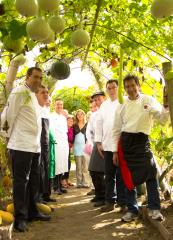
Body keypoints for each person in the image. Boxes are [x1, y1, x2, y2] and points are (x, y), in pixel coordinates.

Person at [112, 74, 169, 222]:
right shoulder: (121, 104)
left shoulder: (148, 100)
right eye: (127, 86)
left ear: (138, 85)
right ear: (124, 89)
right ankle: (132, 210)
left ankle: (155, 209)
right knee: (128, 178)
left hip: (142, 141)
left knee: (151, 174)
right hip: (126, 143)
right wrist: (114, 151)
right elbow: (116, 128)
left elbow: (162, 120)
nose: (130, 89)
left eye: (133, 85)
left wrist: (166, 106)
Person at [1, 67, 50, 232]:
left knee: (33, 182)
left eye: (40, 78)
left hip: (34, 146)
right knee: (21, 182)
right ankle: (20, 218)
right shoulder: (19, 92)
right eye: (35, 77)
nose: (38, 80)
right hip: (20, 145)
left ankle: (32, 212)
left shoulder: (32, 95)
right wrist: (7, 137)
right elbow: (8, 116)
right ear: (28, 77)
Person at [95, 80, 126, 212]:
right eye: (109, 88)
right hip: (107, 145)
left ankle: (122, 202)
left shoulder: (124, 101)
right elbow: (99, 123)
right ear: (106, 90)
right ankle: (109, 201)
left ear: (118, 88)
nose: (112, 90)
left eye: (114, 87)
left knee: (121, 175)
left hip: (122, 144)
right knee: (109, 175)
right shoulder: (104, 105)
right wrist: (98, 142)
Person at [36, 85, 56, 203]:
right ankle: (39, 196)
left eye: (47, 93)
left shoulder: (46, 111)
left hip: (46, 144)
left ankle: (46, 194)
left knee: (46, 168)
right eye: (43, 92)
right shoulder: (37, 109)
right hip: (38, 144)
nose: (46, 95)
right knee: (40, 169)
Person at [88, 91, 106, 207]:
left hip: (105, 142)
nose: (96, 101)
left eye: (98, 99)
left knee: (99, 171)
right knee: (93, 170)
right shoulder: (95, 113)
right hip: (96, 142)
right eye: (95, 100)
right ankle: (99, 194)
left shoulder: (108, 109)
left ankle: (103, 197)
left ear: (104, 98)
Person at [50, 99, 69, 194]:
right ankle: (55, 187)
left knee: (62, 165)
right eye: (58, 104)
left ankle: (60, 186)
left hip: (63, 144)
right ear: (54, 105)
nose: (60, 106)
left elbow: (65, 131)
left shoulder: (63, 117)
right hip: (56, 144)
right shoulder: (51, 116)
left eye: (61, 104)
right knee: (56, 165)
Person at [73, 109, 89, 188]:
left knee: (85, 167)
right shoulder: (74, 125)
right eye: (78, 114)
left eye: (81, 114)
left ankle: (85, 182)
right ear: (76, 116)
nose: (79, 116)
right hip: (76, 148)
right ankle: (79, 183)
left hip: (85, 148)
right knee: (78, 166)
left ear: (84, 115)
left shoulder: (87, 124)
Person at [61, 114, 74, 188]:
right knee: (64, 164)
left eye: (72, 121)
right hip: (63, 148)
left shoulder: (72, 129)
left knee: (68, 164)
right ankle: (62, 180)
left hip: (68, 148)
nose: (70, 122)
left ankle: (66, 179)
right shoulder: (64, 128)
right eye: (69, 120)